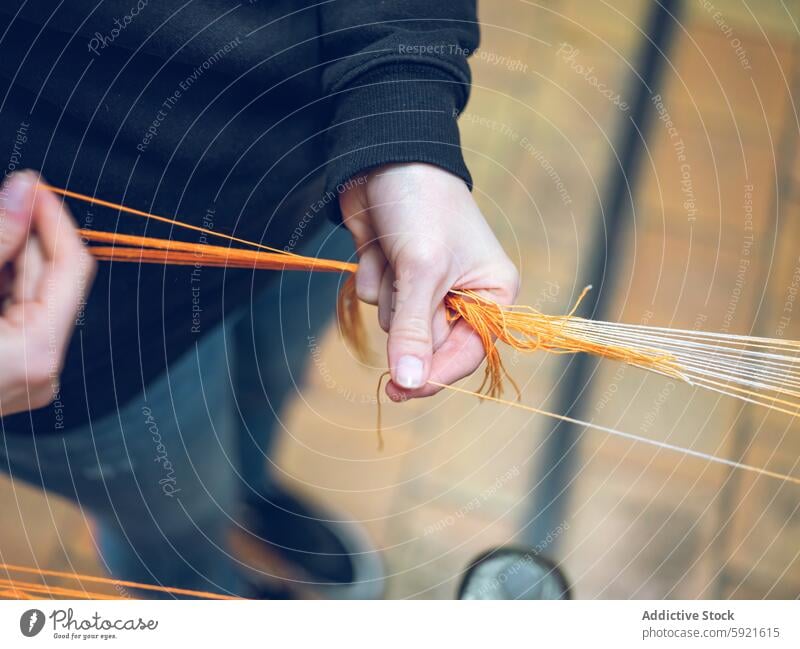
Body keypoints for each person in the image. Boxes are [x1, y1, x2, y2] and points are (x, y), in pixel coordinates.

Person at [0, 2, 518, 597]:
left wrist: (401, 118)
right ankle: (203, 589)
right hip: (76, 318)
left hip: (330, 179)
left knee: (266, 392)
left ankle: (246, 498)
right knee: (175, 521)